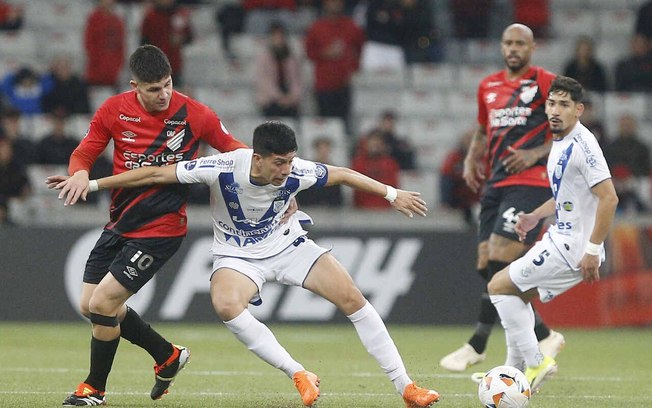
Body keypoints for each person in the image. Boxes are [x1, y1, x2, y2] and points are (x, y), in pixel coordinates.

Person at [53, 120, 440, 408]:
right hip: (238, 255)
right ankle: (299, 373)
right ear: (256, 158)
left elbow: (341, 174)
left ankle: (406, 386)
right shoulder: (221, 167)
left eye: (289, 161)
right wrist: (92, 184)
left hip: (288, 245)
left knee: (353, 298)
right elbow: (157, 173)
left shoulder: (298, 171)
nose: (286, 169)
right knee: (224, 305)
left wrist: (392, 193)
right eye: (279, 163)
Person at [46, 44, 250, 407]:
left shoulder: (194, 113)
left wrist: (271, 178)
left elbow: (233, 148)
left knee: (104, 304)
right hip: (121, 222)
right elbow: (87, 150)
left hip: (163, 227)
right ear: (134, 85)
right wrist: (79, 174)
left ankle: (94, 390)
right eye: (154, 88)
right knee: (88, 306)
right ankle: (166, 354)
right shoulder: (114, 110)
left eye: (167, 85)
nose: (163, 94)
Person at [439, 23, 565, 373]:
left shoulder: (543, 81)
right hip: (495, 183)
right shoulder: (488, 86)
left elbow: (569, 128)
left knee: (498, 257)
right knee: (488, 267)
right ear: (501, 46)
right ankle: (543, 334)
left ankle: (477, 344)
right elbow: (483, 129)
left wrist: (536, 152)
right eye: (508, 42)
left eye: (520, 43)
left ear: (532, 47)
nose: (513, 48)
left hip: (531, 182)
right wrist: (470, 158)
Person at [486, 76, 618, 393]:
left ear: (578, 110)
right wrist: (534, 216)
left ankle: (536, 362)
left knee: (499, 287)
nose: (555, 110)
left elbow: (609, 197)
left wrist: (592, 249)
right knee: (517, 295)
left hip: (573, 246)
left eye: (564, 105)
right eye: (552, 103)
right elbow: (566, 196)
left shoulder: (584, 146)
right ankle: (513, 374)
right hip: (561, 237)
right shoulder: (560, 141)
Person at [304, 0, 365, 132]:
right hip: (323, 85)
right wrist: (325, 53)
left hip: (343, 84)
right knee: (326, 124)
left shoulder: (350, 25)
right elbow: (309, 52)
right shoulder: (317, 27)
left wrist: (354, 67)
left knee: (344, 123)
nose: (334, 5)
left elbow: (360, 47)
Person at [254, 21, 303, 118]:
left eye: (281, 36)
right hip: (270, 100)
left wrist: (293, 96)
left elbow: (296, 79)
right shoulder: (263, 58)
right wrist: (279, 97)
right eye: (275, 36)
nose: (278, 39)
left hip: (289, 98)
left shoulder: (291, 58)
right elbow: (263, 81)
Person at [603, 114, 651, 214]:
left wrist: (631, 176)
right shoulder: (611, 145)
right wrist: (616, 177)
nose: (626, 127)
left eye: (628, 125)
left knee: (645, 186)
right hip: (614, 180)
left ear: (634, 126)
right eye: (623, 125)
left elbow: (645, 167)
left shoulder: (641, 146)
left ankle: (646, 212)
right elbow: (606, 164)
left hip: (635, 179)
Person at [141, 0, 194, 87]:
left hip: (174, 65)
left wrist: (181, 39)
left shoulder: (179, 15)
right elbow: (144, 41)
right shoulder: (150, 17)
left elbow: (189, 36)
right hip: (155, 65)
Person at [351, 129, 400, 209]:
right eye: (372, 142)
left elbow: (393, 187)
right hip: (362, 209)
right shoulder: (358, 162)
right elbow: (356, 189)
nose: (375, 146)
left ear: (382, 145)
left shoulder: (390, 163)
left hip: (385, 209)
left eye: (377, 143)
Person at [84, 0, 126, 88]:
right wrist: (96, 59)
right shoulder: (93, 18)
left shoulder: (117, 20)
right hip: (96, 70)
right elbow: (89, 42)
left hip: (113, 70)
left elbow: (121, 45)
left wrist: (118, 64)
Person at [296, 137, 344, 207]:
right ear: (316, 150)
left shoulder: (335, 171)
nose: (323, 152)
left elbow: (338, 198)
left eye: (326, 149)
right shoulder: (308, 170)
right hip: (310, 208)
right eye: (321, 149)